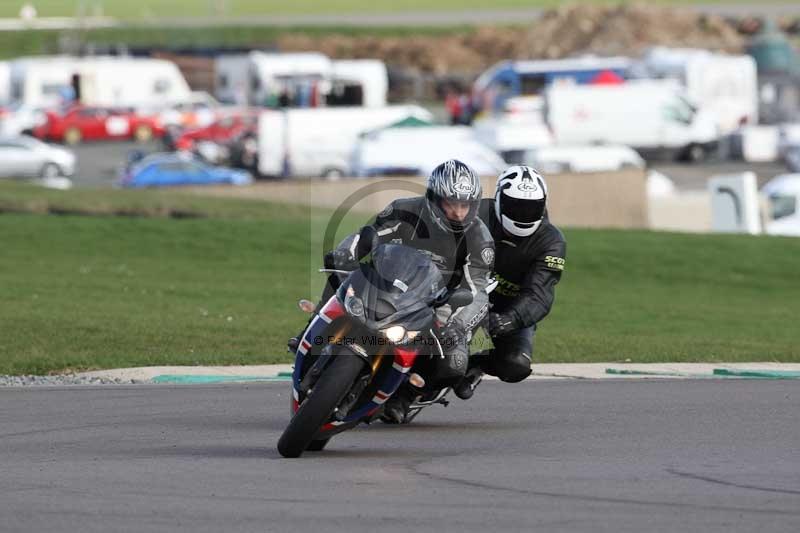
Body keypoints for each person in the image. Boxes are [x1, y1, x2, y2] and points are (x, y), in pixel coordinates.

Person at [291, 159, 495, 422]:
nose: (458, 212)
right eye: (450, 204)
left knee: (453, 360)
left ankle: (405, 396)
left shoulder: (480, 238)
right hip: (386, 284)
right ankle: (314, 324)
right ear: (434, 199)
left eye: (464, 205)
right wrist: (346, 252)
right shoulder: (403, 210)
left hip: (436, 304)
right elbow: (366, 236)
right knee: (342, 271)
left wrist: (456, 323)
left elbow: (475, 288)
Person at [453, 165, 566, 400]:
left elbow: (539, 294)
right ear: (499, 200)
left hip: (507, 309)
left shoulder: (552, 242)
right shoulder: (472, 213)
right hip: (460, 291)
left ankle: (477, 365)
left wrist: (510, 319)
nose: (523, 214)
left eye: (531, 208)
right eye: (515, 206)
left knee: (516, 365)